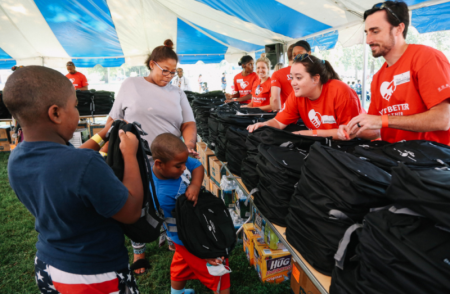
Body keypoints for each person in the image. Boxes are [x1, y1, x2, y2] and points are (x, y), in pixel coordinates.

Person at [4, 66, 141, 293]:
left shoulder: (17, 158)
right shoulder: (85, 165)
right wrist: (129, 154)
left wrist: (102, 134)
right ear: (55, 113)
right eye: (76, 105)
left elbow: (69, 163)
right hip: (94, 273)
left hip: (47, 265)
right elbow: (131, 211)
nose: (78, 111)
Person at [107, 39, 197, 275]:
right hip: (134, 158)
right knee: (136, 204)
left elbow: (189, 123)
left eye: (173, 72)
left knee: (169, 201)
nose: (168, 76)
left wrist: (187, 144)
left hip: (167, 160)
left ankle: (171, 239)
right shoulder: (130, 85)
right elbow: (113, 119)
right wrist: (108, 146)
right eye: (164, 70)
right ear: (151, 64)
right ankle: (139, 251)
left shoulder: (177, 92)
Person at [343, 1, 450, 144]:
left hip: (430, 159)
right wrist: (353, 129)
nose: (368, 40)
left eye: (375, 31)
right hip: (394, 157)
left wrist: (383, 120)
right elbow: (376, 128)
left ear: (399, 29)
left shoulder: (425, 57)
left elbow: (443, 119)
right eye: (367, 33)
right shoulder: (378, 77)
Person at [151, 133, 230, 294]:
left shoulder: (174, 161)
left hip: (181, 241)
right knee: (218, 274)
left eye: (183, 163)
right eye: (179, 166)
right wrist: (205, 250)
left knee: (181, 266)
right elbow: (188, 226)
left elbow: (197, 165)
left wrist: (194, 184)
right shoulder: (164, 195)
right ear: (159, 164)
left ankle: (177, 293)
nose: (184, 168)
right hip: (187, 237)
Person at [248, 54, 370, 140]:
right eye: (292, 77)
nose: (293, 83)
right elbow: (278, 122)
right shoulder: (297, 96)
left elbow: (347, 133)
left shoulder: (341, 92)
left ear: (315, 79)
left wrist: (306, 133)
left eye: (299, 78)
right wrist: (265, 124)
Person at [270, 40, 312, 111]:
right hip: (309, 113)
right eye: (295, 54)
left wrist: (278, 116)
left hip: (289, 114)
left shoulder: (277, 74)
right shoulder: (312, 71)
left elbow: (274, 99)